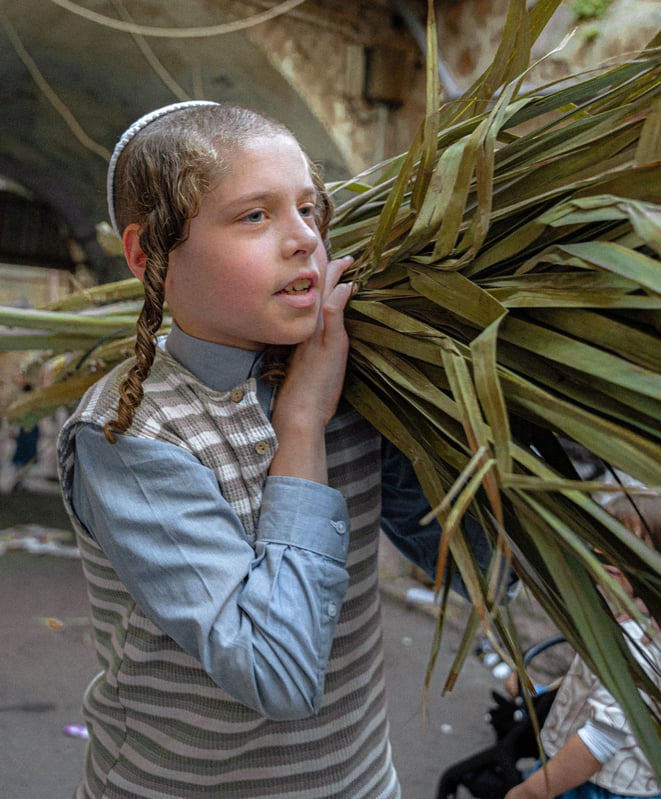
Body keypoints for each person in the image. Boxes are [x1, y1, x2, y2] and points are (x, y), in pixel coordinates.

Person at [55, 101, 482, 798]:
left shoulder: (358, 381)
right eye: (256, 215)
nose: (302, 240)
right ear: (148, 255)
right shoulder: (130, 434)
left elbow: (478, 572)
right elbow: (277, 672)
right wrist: (304, 424)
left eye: (309, 210)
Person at [504, 493, 661, 799]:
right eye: (603, 539)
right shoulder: (652, 620)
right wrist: (544, 692)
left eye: (626, 547)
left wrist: (529, 792)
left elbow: (599, 740)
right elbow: (605, 692)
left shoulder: (641, 642)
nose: (605, 552)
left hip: (597, 785)